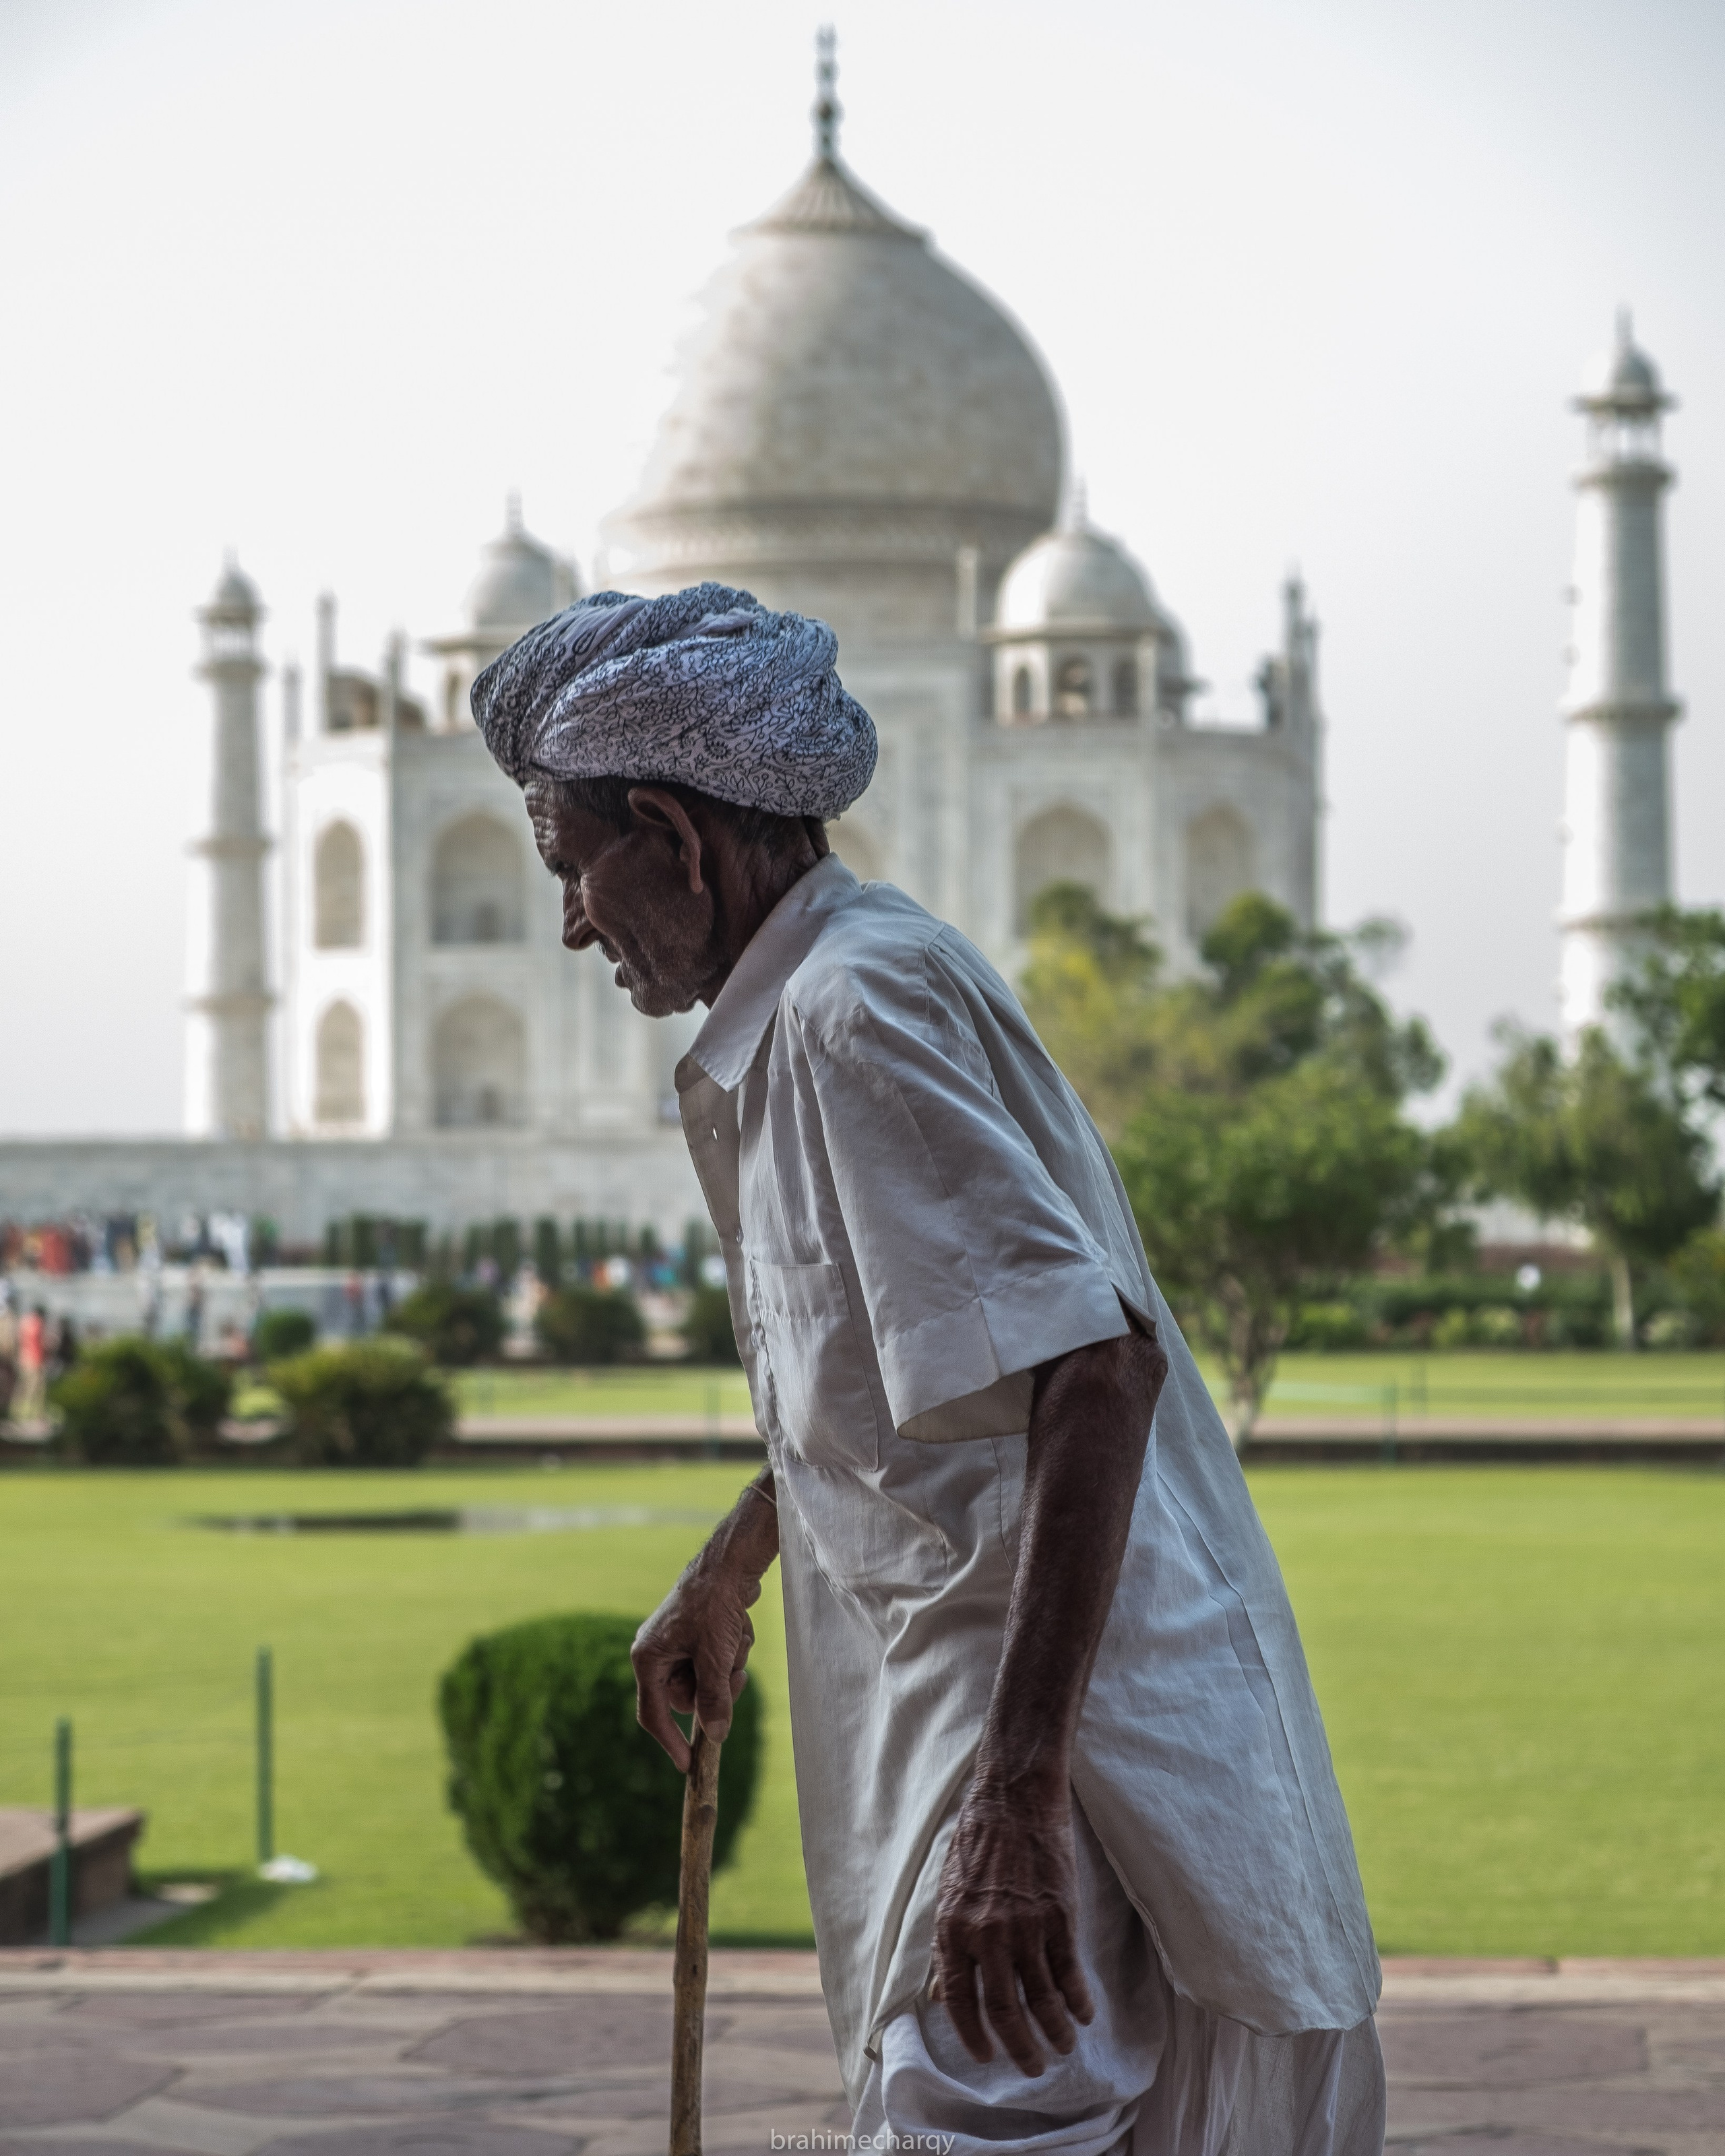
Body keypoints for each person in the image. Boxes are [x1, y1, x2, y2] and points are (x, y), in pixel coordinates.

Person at [473, 585, 1387, 2156]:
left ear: (673, 838)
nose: (569, 922)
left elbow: (1096, 1367)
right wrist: (735, 1554)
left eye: (573, 866)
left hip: (1045, 1743)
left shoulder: (847, 1008)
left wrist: (1016, 1803)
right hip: (992, 1717)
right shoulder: (826, 991)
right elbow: (917, 1365)